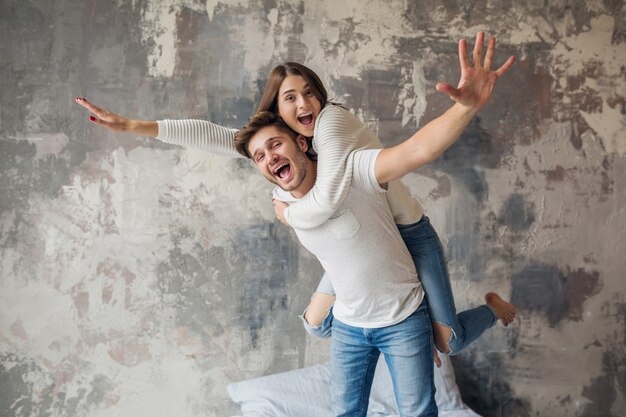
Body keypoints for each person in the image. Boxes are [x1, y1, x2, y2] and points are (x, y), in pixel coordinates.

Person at [75, 32, 516, 356]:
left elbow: (330, 199)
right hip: (357, 242)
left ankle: (494, 310)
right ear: (277, 110)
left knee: (449, 342)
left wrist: (465, 106)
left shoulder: (332, 123)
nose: (305, 104)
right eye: (291, 97)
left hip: (407, 234)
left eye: (310, 93)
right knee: (318, 326)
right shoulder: (282, 142)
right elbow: (212, 135)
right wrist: (134, 126)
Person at [235, 110, 436, 416]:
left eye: (275, 145)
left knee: (418, 412)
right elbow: (218, 139)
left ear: (302, 143)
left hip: (403, 319)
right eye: (260, 156)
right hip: (348, 327)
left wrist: (466, 108)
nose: (270, 157)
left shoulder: (354, 170)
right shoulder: (283, 199)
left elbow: (418, 150)